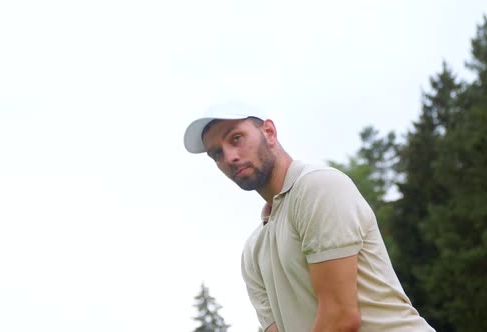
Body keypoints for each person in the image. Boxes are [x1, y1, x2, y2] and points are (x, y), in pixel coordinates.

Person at [183, 102, 435, 332]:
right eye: (216, 154)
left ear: (269, 132)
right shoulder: (253, 251)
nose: (229, 157)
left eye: (236, 138)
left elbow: (340, 318)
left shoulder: (318, 187)